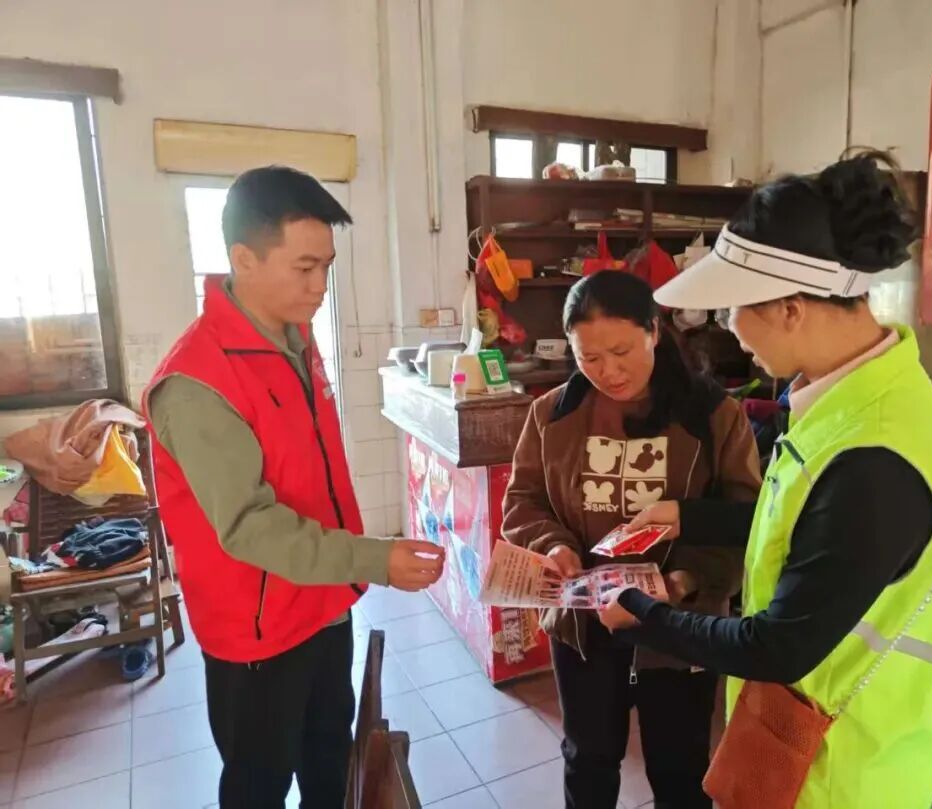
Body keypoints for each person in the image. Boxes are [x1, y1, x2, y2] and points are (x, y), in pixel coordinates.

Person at [598, 151, 932, 809]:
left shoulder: (874, 454)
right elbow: (810, 528)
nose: (731, 329)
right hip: (804, 746)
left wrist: (644, 615)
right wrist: (686, 516)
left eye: (734, 309)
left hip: (840, 775)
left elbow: (776, 646)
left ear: (792, 308)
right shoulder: (859, 395)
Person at [145, 166, 445, 809]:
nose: (319, 286)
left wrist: (349, 572)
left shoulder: (293, 339)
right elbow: (249, 526)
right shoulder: (197, 382)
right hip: (257, 630)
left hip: (322, 603)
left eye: (326, 267)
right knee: (259, 784)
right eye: (304, 268)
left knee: (329, 763)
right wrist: (374, 558)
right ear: (244, 259)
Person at [502, 270, 761, 809]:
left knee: (680, 769)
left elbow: (746, 519)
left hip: (681, 625)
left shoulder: (713, 415)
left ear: (654, 332)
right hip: (585, 623)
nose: (609, 372)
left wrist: (682, 581)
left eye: (621, 351)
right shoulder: (552, 415)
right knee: (588, 758)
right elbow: (522, 501)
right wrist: (554, 545)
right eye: (589, 358)